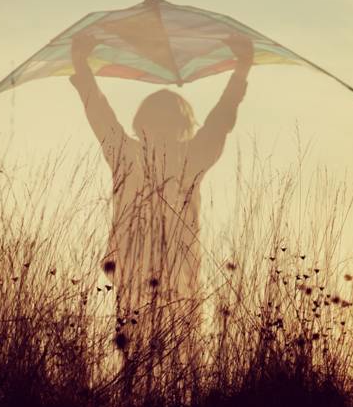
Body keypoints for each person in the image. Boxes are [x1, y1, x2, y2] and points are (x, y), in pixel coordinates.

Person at [70, 30, 252, 380]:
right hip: (176, 272)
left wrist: (81, 64)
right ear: (185, 124)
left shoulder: (126, 153)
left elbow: (98, 110)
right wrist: (241, 68)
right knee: (180, 357)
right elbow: (221, 119)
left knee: (136, 355)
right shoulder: (191, 156)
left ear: (142, 122)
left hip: (135, 270)